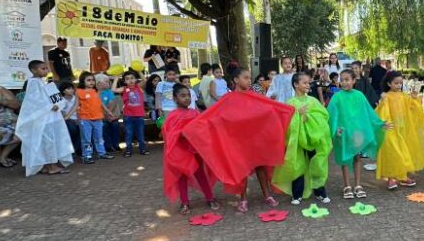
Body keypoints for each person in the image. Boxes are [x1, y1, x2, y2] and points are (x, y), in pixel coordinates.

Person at [182, 67, 295, 212]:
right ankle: (243, 199)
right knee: (242, 169)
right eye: (245, 78)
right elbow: (213, 116)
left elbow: (270, 107)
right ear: (236, 80)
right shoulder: (228, 99)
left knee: (261, 167)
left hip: (255, 139)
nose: (249, 81)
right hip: (239, 143)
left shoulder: (254, 96)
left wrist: (289, 110)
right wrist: (191, 129)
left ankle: (267, 195)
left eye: (249, 78)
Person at [272, 72, 332, 205]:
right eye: (304, 83)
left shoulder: (313, 101)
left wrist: (308, 117)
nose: (307, 85)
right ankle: (297, 194)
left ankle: (320, 192)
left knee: (316, 164)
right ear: (295, 84)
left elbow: (323, 116)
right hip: (298, 141)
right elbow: (286, 122)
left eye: (308, 82)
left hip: (312, 139)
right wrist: (298, 116)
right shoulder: (290, 103)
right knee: (297, 164)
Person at [327, 69, 389, 199]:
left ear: (354, 81)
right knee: (345, 159)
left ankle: (358, 185)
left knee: (357, 158)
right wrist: (335, 128)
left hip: (356, 133)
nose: (344, 82)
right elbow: (331, 114)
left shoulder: (359, 95)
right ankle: (347, 186)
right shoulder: (337, 97)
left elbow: (368, 112)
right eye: (341, 79)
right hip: (343, 133)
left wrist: (379, 123)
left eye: (347, 79)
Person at [162, 83, 219, 214]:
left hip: (195, 150)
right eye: (182, 96)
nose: (186, 98)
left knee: (200, 174)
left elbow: (201, 129)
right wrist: (182, 133)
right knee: (182, 176)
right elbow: (169, 135)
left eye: (188, 95)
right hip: (181, 151)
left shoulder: (194, 112)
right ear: (175, 98)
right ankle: (184, 202)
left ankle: (210, 198)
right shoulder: (172, 115)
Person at [15, 60, 74, 175]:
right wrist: (50, 106)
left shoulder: (42, 82)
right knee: (48, 141)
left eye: (47, 68)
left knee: (48, 141)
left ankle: (46, 166)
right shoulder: (33, 83)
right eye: (43, 68)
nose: (46, 70)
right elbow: (34, 101)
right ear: (33, 70)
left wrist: (56, 104)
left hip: (49, 118)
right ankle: (51, 166)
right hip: (43, 119)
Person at [376, 71, 424, 190]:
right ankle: (391, 178)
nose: (399, 85)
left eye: (400, 83)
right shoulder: (387, 96)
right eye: (396, 83)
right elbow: (382, 111)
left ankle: (403, 176)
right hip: (391, 129)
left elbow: (413, 108)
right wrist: (383, 123)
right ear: (389, 84)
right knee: (393, 152)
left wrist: (415, 99)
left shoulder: (404, 96)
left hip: (403, 129)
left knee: (404, 151)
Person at [77, 71, 115, 164]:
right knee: (86, 139)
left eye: (92, 80)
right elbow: (76, 105)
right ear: (83, 81)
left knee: (99, 137)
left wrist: (108, 111)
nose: (91, 82)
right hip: (85, 119)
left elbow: (100, 103)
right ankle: (87, 155)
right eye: (88, 80)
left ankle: (102, 153)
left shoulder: (95, 91)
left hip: (98, 118)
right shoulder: (79, 92)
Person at [0, 72, 21, 168]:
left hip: (6, 119)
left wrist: (1, 101)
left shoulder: (0, 90)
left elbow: (17, 105)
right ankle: (1, 157)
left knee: (21, 130)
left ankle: (2, 157)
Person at [112, 71, 149, 157]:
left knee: (140, 133)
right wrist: (116, 77)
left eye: (132, 78)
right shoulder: (124, 89)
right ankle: (128, 150)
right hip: (128, 116)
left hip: (139, 115)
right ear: (124, 81)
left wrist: (139, 71)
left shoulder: (138, 87)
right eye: (127, 79)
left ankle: (142, 149)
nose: (130, 80)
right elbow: (113, 89)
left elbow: (145, 81)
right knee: (129, 134)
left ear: (136, 79)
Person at [97, 74, 122, 153]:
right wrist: (104, 115)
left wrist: (108, 115)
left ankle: (116, 145)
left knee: (115, 125)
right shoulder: (96, 94)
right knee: (104, 127)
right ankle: (108, 146)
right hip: (101, 117)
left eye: (109, 82)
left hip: (112, 116)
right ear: (98, 84)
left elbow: (112, 103)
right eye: (106, 82)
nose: (109, 84)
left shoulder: (110, 92)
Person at [58, 81, 81, 156]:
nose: (72, 90)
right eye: (68, 89)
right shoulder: (61, 101)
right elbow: (62, 114)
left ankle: (77, 149)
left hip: (79, 119)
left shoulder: (77, 99)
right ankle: (71, 149)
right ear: (63, 91)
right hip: (67, 120)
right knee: (72, 129)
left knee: (81, 128)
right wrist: (71, 120)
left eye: (72, 88)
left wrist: (78, 119)